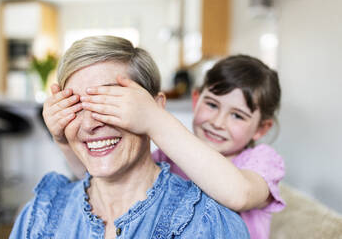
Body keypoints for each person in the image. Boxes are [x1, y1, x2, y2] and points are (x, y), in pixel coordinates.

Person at [10, 36, 249, 239]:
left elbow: (241, 193)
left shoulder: (207, 224)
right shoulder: (38, 217)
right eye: (77, 106)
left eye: (109, 104)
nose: (91, 124)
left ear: (156, 108)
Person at [44, 52, 285, 239]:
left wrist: (153, 119)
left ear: (262, 128)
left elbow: (239, 194)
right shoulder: (167, 158)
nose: (217, 122)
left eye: (238, 116)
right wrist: (64, 141)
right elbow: (95, 178)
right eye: (211, 105)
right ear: (195, 98)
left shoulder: (263, 161)